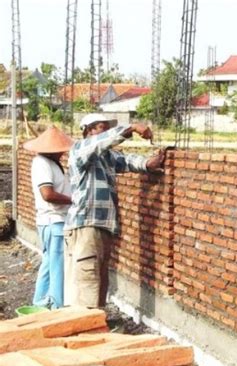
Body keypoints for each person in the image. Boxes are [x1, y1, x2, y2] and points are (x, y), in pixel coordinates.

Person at [64, 113, 166, 308]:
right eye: (101, 127)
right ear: (89, 131)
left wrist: (148, 163)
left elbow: (128, 161)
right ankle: (84, 329)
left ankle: (97, 323)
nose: (105, 131)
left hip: (102, 226)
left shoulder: (108, 157)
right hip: (85, 225)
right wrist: (133, 128)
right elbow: (101, 142)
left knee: (100, 279)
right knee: (87, 281)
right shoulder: (80, 149)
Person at [24, 126, 74, 309]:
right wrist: (73, 200)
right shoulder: (42, 163)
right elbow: (48, 194)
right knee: (58, 266)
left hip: (53, 221)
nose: (62, 152)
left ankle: (40, 303)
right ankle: (57, 306)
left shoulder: (52, 163)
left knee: (49, 263)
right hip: (53, 220)